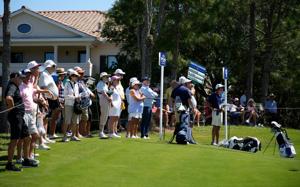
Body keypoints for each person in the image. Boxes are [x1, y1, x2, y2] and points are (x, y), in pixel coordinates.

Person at [5, 72, 29, 171]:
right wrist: (12, 108)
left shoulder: (15, 85)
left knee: (27, 136)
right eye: (20, 78)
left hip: (19, 117)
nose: (22, 80)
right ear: (15, 77)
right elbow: (8, 98)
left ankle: (26, 159)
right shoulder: (12, 86)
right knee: (15, 139)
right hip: (16, 116)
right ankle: (9, 164)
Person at [170, 76, 197, 144]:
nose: (188, 83)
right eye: (187, 82)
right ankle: (182, 138)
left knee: (179, 123)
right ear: (184, 83)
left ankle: (178, 138)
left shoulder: (175, 89)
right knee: (184, 123)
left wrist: (172, 108)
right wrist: (193, 108)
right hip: (183, 108)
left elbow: (172, 99)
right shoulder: (186, 90)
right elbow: (189, 100)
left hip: (177, 108)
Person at [38, 60, 59, 142]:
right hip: (47, 100)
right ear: (48, 67)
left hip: (51, 99)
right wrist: (45, 100)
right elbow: (43, 87)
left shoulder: (48, 74)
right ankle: (42, 138)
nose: (54, 68)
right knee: (44, 119)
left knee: (47, 119)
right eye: (53, 66)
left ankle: (45, 136)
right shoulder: (44, 74)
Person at [74, 67, 95, 137]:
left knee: (85, 118)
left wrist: (91, 93)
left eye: (82, 73)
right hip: (79, 103)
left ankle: (83, 133)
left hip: (86, 103)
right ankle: (79, 133)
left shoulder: (82, 81)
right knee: (79, 119)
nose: (82, 75)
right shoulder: (75, 82)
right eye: (81, 73)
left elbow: (86, 89)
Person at [63, 69, 81, 142]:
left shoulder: (76, 84)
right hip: (68, 104)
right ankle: (64, 137)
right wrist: (75, 97)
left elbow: (76, 94)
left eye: (77, 76)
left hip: (75, 104)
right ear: (71, 76)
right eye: (74, 76)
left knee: (75, 121)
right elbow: (65, 95)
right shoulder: (67, 84)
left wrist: (78, 97)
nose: (76, 77)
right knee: (67, 121)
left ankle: (73, 136)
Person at [96, 72, 111, 138]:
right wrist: (108, 98)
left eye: (107, 77)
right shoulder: (100, 84)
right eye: (106, 77)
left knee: (105, 116)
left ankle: (102, 131)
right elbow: (103, 93)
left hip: (106, 100)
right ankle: (101, 132)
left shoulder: (105, 84)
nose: (107, 78)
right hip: (103, 100)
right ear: (102, 77)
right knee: (103, 115)